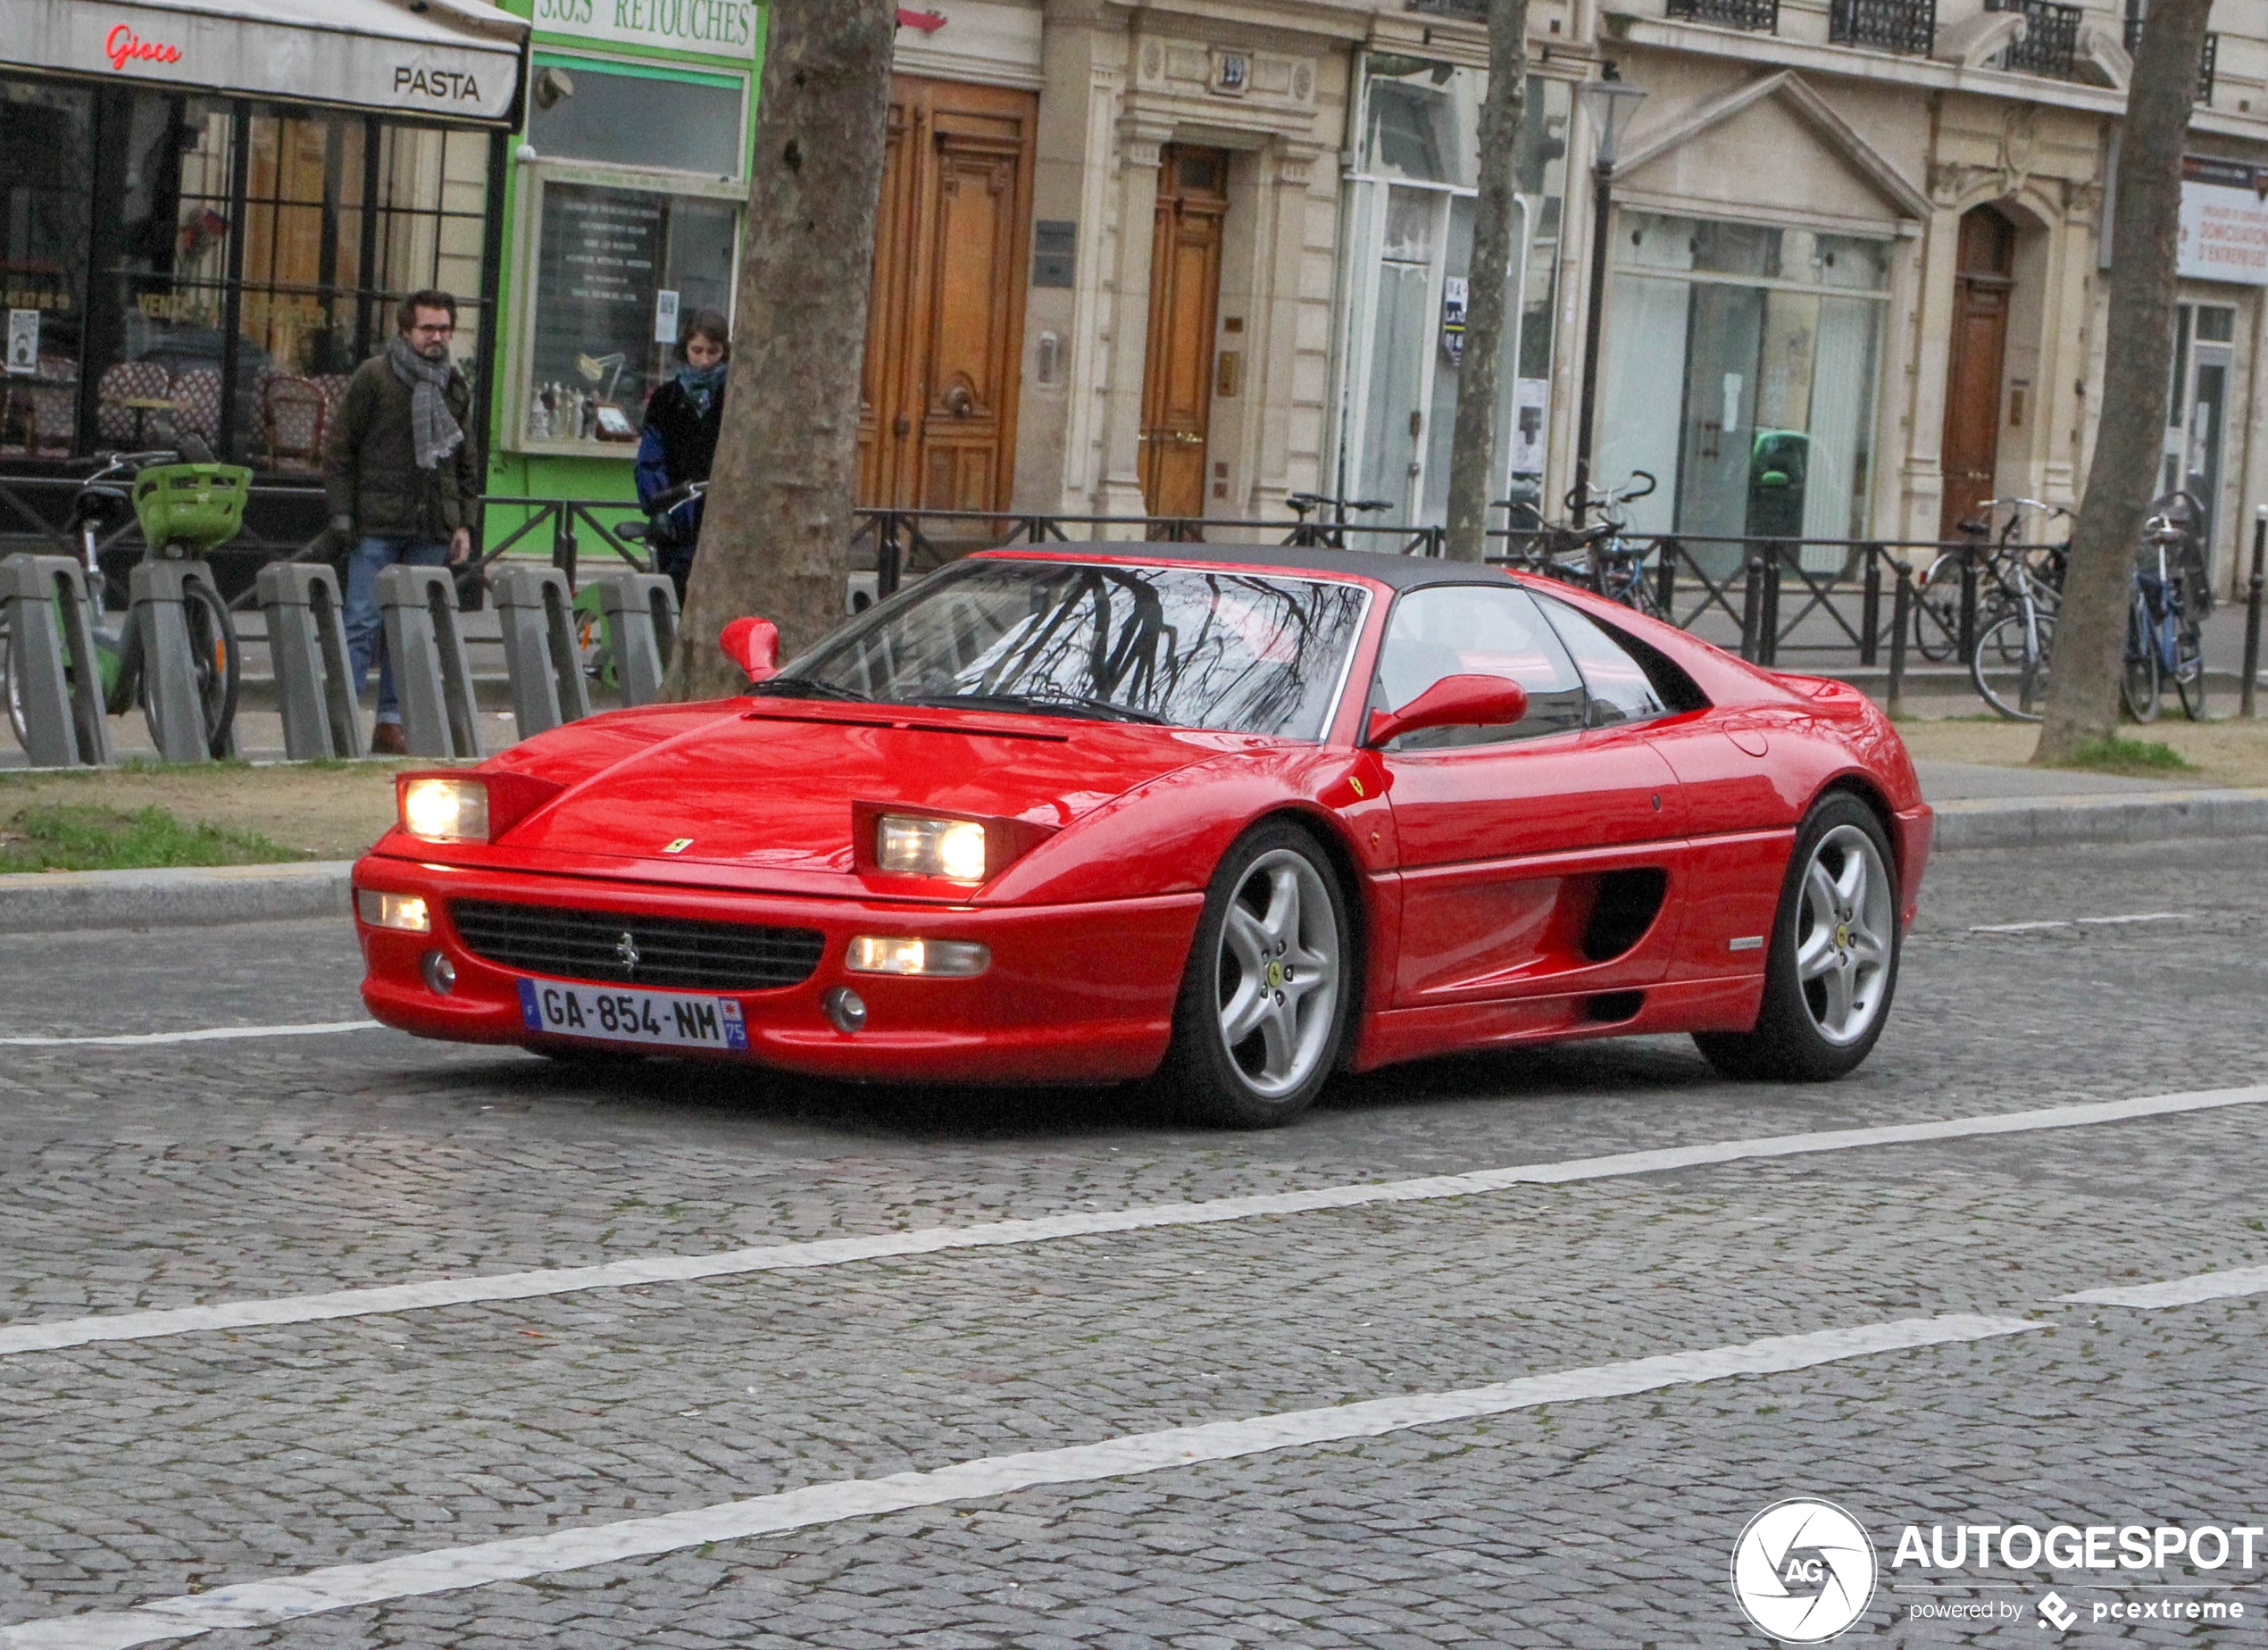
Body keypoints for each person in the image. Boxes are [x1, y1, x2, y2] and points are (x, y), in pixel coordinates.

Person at [323, 289, 480, 755]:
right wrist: (342, 514)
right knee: (360, 623)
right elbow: (340, 450)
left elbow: (463, 461)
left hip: (430, 526)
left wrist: (463, 524)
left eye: (444, 329)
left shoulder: (454, 383)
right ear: (406, 331)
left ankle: (390, 722)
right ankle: (342, 720)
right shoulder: (374, 377)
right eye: (428, 328)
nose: (437, 337)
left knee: (410, 632)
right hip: (375, 525)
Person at [635, 309, 730, 602]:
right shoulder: (666, 398)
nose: (703, 360)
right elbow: (650, 459)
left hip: (723, 514)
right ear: (685, 349)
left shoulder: (736, 396)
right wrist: (659, 505)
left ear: (725, 352)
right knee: (676, 595)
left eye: (712, 352)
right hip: (679, 514)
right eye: (696, 350)